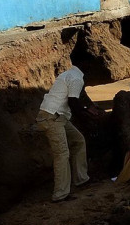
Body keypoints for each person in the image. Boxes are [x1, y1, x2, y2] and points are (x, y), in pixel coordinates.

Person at [38, 63, 92, 202]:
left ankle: (81, 179)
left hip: (57, 115)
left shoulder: (68, 74)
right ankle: (60, 194)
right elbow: (73, 102)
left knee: (78, 141)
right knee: (62, 154)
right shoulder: (77, 79)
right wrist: (87, 115)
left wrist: (86, 109)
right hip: (52, 117)